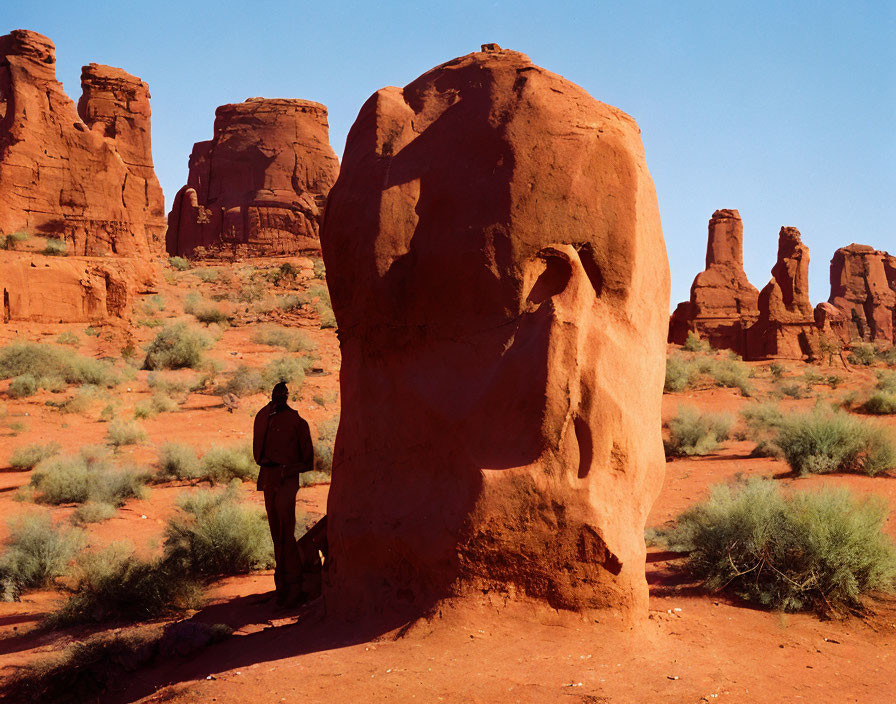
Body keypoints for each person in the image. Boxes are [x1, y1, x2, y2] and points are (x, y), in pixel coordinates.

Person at [253, 381, 314, 607]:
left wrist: (288, 469)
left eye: (283, 393)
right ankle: (283, 588)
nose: (279, 397)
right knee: (276, 534)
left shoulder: (298, 423)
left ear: (287, 396)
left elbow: (308, 462)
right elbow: (258, 453)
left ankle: (294, 588)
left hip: (287, 479)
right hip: (269, 477)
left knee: (285, 533)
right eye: (276, 393)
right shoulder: (264, 418)